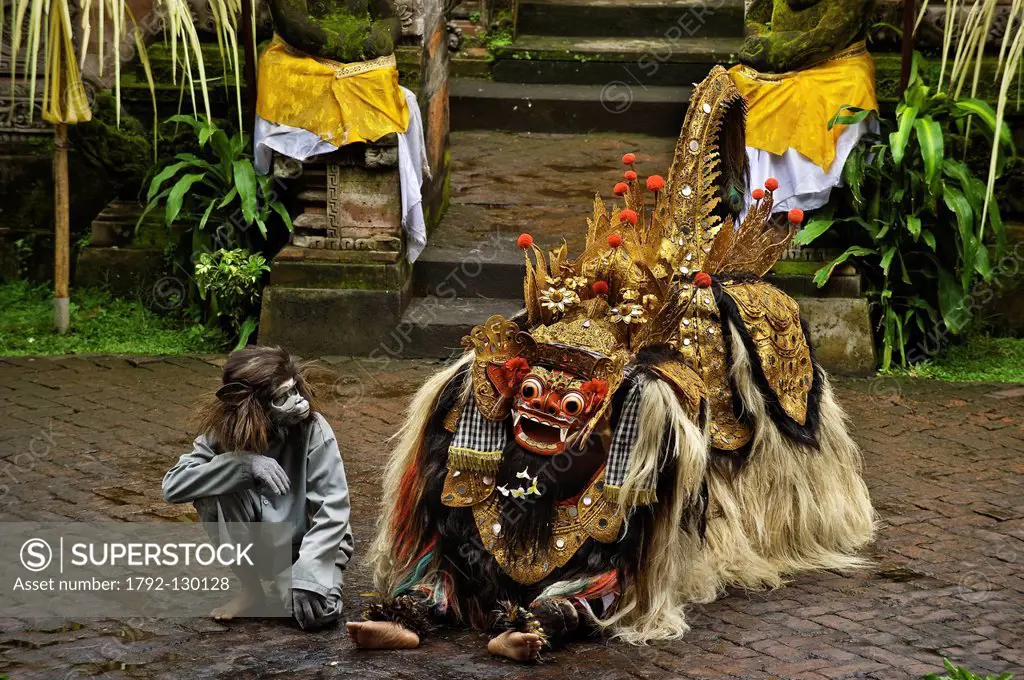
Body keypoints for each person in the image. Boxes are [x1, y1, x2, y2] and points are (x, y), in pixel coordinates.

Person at [162, 346, 353, 630]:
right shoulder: (225, 432)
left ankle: (287, 582)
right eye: (282, 398)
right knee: (211, 491)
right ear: (254, 406)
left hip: (307, 549)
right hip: (260, 545)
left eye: (295, 390)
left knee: (315, 613)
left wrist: (306, 575)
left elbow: (333, 511)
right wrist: (242, 465)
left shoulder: (315, 429)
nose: (298, 402)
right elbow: (173, 486)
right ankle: (251, 590)